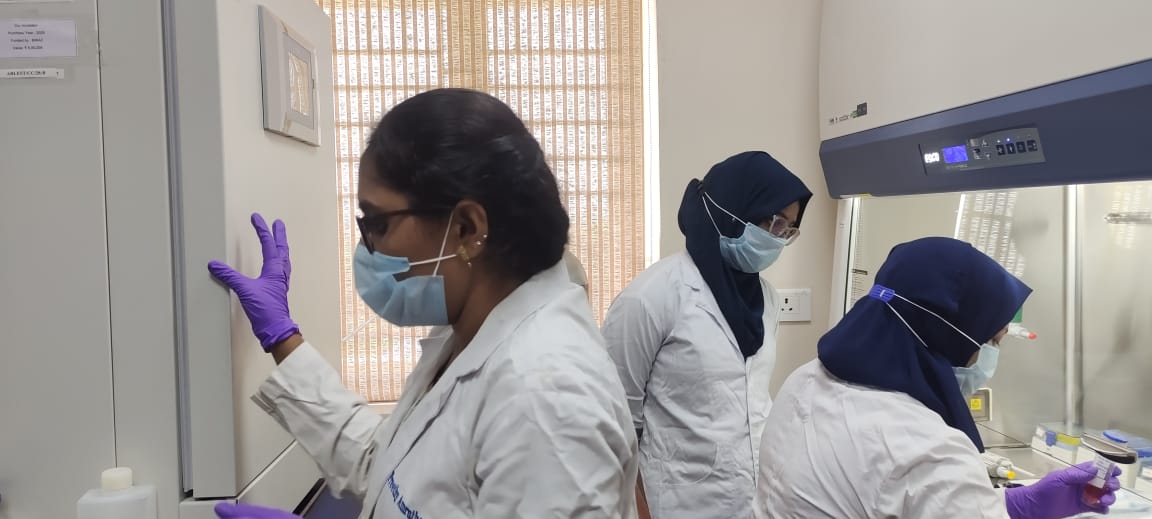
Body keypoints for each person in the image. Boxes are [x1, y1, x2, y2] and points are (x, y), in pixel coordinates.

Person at [207, 88, 639, 519]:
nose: (368, 247)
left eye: (378, 223)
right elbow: (390, 471)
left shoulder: (546, 399)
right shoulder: (466, 333)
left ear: (467, 228)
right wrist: (283, 338)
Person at [754, 237, 1122, 519]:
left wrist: (1013, 505)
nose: (989, 357)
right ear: (950, 339)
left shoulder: (805, 380)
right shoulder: (928, 450)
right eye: (992, 341)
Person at [601, 151, 813, 519]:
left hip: (755, 504)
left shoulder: (767, 300)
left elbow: (751, 404)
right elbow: (615, 428)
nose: (778, 239)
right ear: (733, 210)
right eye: (775, 223)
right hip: (677, 506)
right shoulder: (650, 298)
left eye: (789, 230)